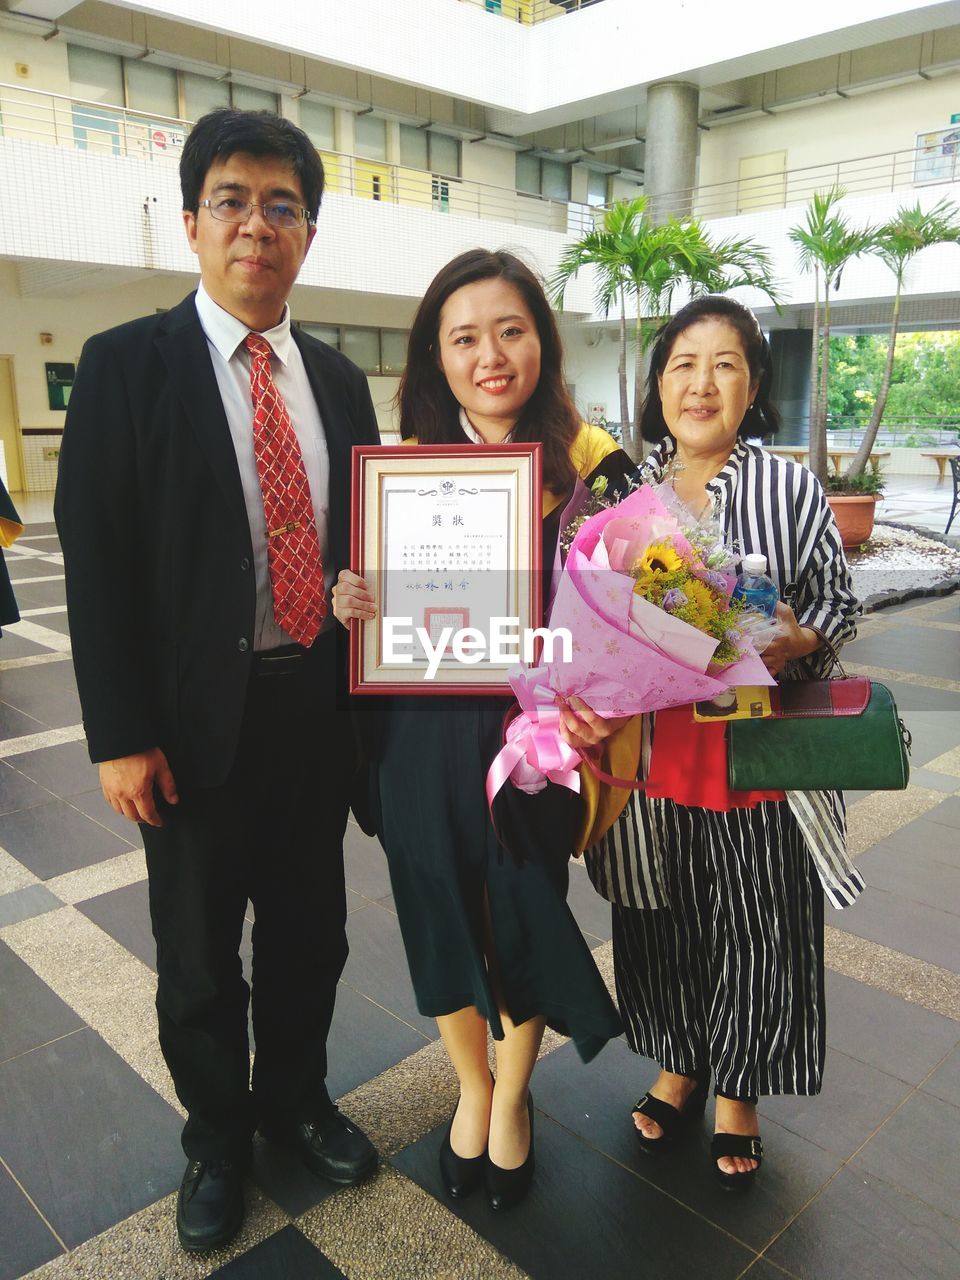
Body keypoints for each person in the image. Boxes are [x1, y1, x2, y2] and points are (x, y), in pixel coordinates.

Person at [55, 109, 380, 1253]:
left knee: (312, 934)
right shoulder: (122, 367)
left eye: (283, 204)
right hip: (191, 728)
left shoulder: (339, 382)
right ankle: (217, 1138)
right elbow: (95, 561)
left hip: (314, 710)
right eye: (234, 201)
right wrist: (118, 733)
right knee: (197, 957)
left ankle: (296, 1099)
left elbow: (365, 551)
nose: (258, 224)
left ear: (308, 231)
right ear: (191, 223)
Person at [333, 249, 624, 1211]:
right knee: (435, 908)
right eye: (465, 338)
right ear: (435, 357)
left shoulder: (596, 463)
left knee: (522, 912)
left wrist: (603, 689)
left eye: (511, 330)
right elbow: (363, 606)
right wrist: (353, 598)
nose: (491, 356)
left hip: (528, 740)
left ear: (540, 338)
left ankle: (514, 1097)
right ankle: (471, 1084)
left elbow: (641, 610)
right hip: (418, 728)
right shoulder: (401, 474)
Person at [585, 294, 862, 1191]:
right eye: (683, 364)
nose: (701, 383)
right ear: (658, 382)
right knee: (658, 920)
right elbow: (587, 608)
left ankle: (738, 1084)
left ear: (753, 386)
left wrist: (798, 638)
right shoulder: (623, 496)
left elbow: (836, 604)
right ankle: (679, 1060)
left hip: (756, 759)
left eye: (725, 364)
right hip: (652, 760)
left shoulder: (791, 489)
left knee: (757, 925)